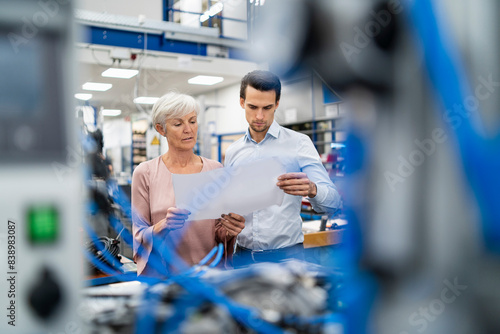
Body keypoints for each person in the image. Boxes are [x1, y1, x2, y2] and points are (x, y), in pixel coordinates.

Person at [224, 70, 342, 266]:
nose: (260, 116)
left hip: (288, 258)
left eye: (267, 107)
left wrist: (313, 190)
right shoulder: (233, 151)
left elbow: (334, 203)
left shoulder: (299, 143)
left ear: (277, 104)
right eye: (253, 107)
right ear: (242, 102)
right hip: (242, 258)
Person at [132, 92, 245, 277]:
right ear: (161, 129)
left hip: (209, 277)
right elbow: (138, 236)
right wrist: (163, 225)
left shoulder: (215, 170)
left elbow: (218, 233)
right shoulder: (145, 173)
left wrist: (231, 230)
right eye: (178, 124)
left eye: (192, 121)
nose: (188, 129)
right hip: (164, 279)